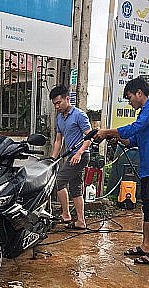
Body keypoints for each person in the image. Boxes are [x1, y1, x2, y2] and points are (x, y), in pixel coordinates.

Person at [95, 77, 149, 265]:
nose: (129, 101)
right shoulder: (144, 113)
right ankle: (146, 245)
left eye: (129, 97)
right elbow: (132, 140)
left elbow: (133, 128)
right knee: (147, 209)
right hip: (146, 170)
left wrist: (107, 132)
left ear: (139, 93)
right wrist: (118, 139)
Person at [50, 85, 92, 230]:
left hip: (81, 155)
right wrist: (52, 159)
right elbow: (58, 141)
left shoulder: (79, 115)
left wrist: (79, 153)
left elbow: (89, 136)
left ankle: (66, 214)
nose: (57, 106)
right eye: (54, 104)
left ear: (67, 99)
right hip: (71, 156)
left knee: (58, 182)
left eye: (58, 103)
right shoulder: (60, 118)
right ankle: (81, 221)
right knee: (75, 188)